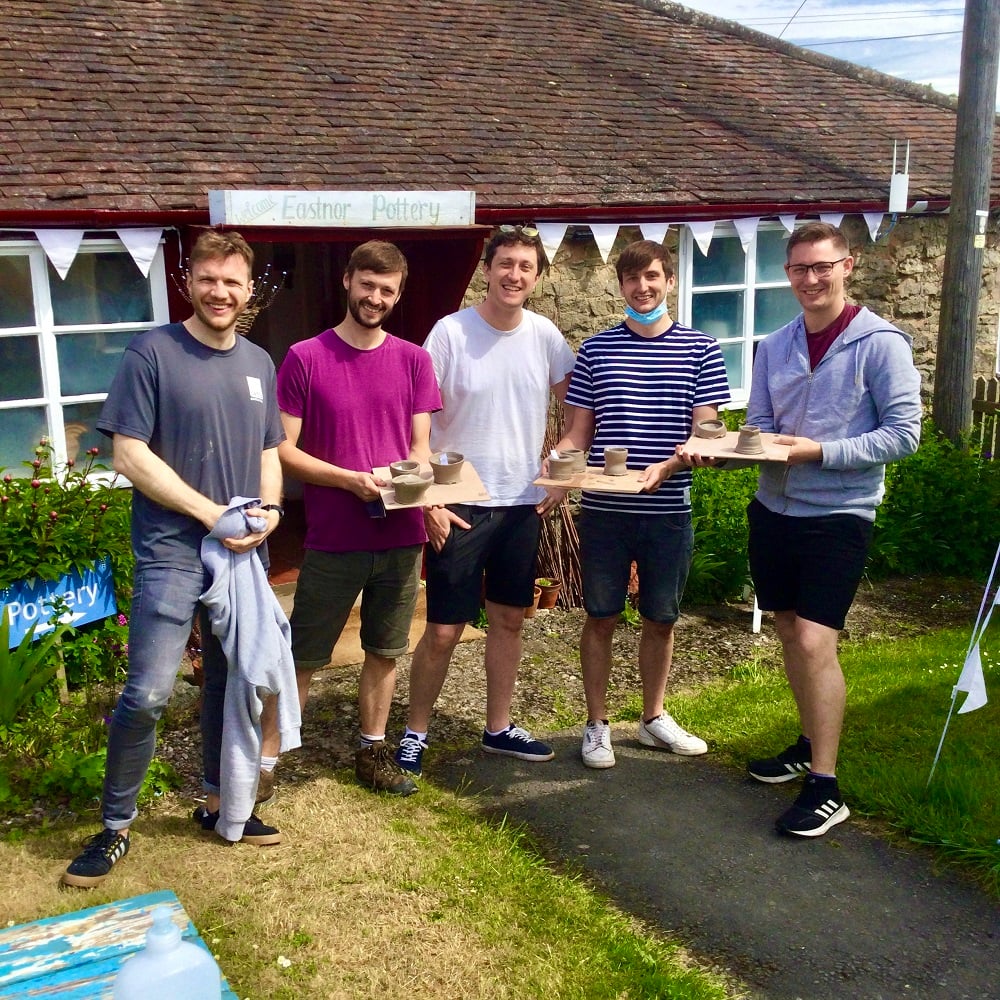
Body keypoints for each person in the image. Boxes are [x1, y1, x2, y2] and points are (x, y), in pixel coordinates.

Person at [63, 230, 288, 888]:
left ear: (249, 290)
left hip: (240, 554)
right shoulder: (152, 353)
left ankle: (220, 805)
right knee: (149, 691)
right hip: (171, 550)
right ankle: (114, 827)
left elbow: (269, 452)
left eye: (232, 281)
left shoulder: (258, 362)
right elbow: (129, 454)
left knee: (231, 681)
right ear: (189, 281)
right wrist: (207, 513)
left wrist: (272, 512)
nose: (220, 292)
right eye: (209, 279)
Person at [727, 221, 920, 837]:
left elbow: (904, 435)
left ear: (847, 266)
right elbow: (761, 425)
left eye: (822, 267)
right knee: (788, 630)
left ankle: (826, 786)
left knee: (815, 640)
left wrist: (820, 452)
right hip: (773, 510)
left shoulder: (881, 343)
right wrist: (725, 452)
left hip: (839, 514)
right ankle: (808, 743)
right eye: (799, 269)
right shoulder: (774, 344)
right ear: (788, 274)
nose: (811, 279)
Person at [394, 225, 576, 777]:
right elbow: (414, 424)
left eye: (525, 267)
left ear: (537, 277)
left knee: (509, 619)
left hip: (522, 504)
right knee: (444, 629)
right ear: (488, 270)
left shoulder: (545, 337)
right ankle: (415, 734)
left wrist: (562, 473)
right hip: (460, 504)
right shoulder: (450, 333)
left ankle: (498, 728)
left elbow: (578, 414)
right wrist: (427, 501)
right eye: (505, 264)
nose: (514, 275)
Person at [553, 239, 730, 770]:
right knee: (600, 617)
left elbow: (707, 431)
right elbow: (577, 433)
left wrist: (676, 463)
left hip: (669, 510)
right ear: (621, 286)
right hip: (604, 512)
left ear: (669, 281)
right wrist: (556, 466)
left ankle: (653, 718)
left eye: (652, 276)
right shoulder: (596, 350)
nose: (642, 287)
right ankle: (596, 725)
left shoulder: (701, 349)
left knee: (661, 619)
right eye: (632, 278)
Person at [275, 240, 441, 796]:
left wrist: (421, 489)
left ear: (398, 294)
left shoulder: (414, 360)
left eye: (387, 290)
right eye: (367, 285)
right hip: (334, 536)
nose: (375, 297)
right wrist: (349, 479)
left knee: (385, 651)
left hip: (401, 534)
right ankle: (265, 765)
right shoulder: (305, 357)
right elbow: (284, 450)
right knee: (303, 655)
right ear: (347, 281)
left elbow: (420, 447)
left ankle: (372, 753)